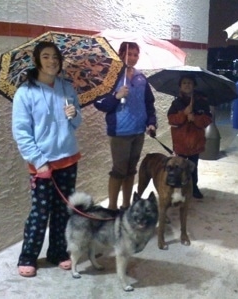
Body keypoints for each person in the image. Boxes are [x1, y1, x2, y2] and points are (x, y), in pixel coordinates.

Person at [12, 41, 82, 277]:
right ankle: (28, 256)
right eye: (46, 56)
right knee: (40, 212)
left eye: (55, 57)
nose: (52, 61)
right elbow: (21, 131)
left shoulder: (66, 88)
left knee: (63, 210)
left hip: (68, 158)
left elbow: (76, 123)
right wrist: (38, 161)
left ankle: (58, 252)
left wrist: (74, 115)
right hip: (41, 163)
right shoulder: (25, 92)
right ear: (37, 60)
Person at [94, 42, 157, 213]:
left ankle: (126, 205)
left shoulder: (141, 78)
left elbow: (149, 103)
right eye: (129, 54)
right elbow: (100, 104)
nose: (133, 58)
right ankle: (112, 208)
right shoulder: (111, 77)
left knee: (131, 171)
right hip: (120, 132)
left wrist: (151, 122)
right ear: (121, 54)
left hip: (139, 131)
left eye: (136, 55)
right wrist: (116, 96)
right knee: (119, 171)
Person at [167, 74, 212, 199]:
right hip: (180, 142)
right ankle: (178, 188)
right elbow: (171, 119)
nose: (187, 85)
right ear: (180, 86)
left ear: (194, 86)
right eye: (184, 83)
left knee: (193, 166)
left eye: (190, 83)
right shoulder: (176, 103)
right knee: (179, 167)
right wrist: (183, 114)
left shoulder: (202, 102)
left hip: (195, 141)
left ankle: (193, 187)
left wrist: (195, 118)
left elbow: (207, 119)